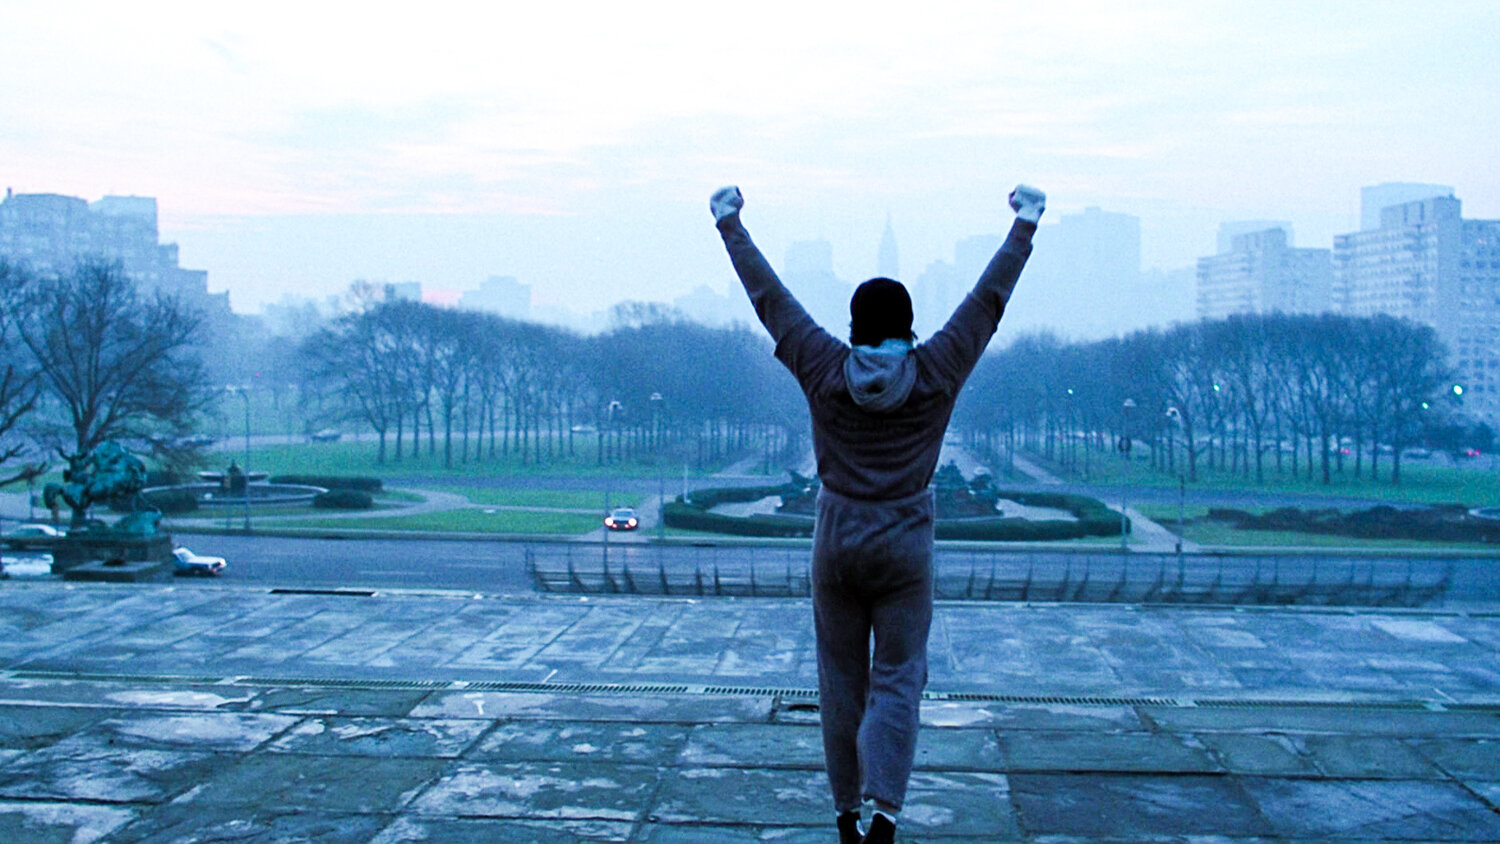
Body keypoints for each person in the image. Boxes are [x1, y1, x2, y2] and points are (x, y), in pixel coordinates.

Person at [711, 184, 1042, 843]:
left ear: (855, 326)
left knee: (841, 683)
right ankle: (885, 814)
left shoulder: (824, 365)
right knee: (898, 682)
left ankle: (845, 816)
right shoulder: (936, 369)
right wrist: (1023, 228)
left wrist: (730, 226)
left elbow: (770, 300)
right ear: (908, 326)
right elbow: (987, 303)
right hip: (905, 546)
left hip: (836, 542)